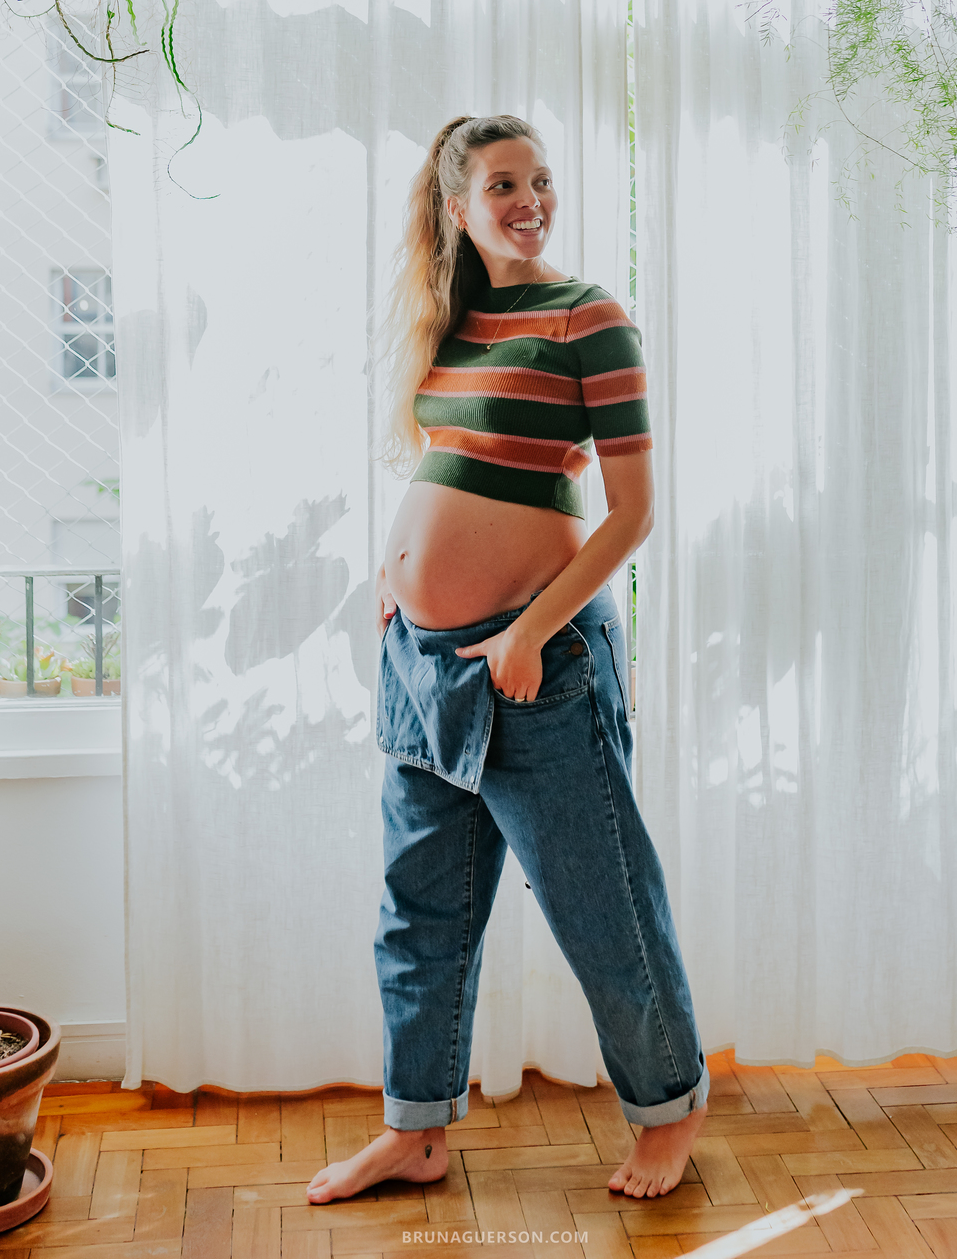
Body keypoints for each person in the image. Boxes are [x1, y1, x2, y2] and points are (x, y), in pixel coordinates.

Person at [307, 114, 707, 1205]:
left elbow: (631, 516)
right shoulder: (453, 319)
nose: (530, 201)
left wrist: (530, 629)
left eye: (540, 181)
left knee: (602, 902)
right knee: (418, 908)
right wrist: (394, 572)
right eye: (503, 185)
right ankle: (416, 1131)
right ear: (457, 207)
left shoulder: (590, 317)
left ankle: (668, 1110)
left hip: (541, 661)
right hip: (423, 663)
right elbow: (452, 460)